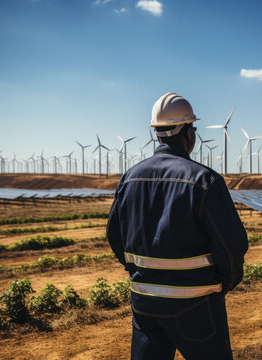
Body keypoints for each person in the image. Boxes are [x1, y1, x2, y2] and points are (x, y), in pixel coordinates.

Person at [107, 92, 248, 360]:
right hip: (196, 304)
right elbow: (232, 245)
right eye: (192, 128)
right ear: (187, 133)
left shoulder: (129, 179)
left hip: (145, 302)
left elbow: (114, 235)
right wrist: (225, 281)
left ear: (157, 133)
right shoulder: (204, 180)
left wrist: (138, 271)